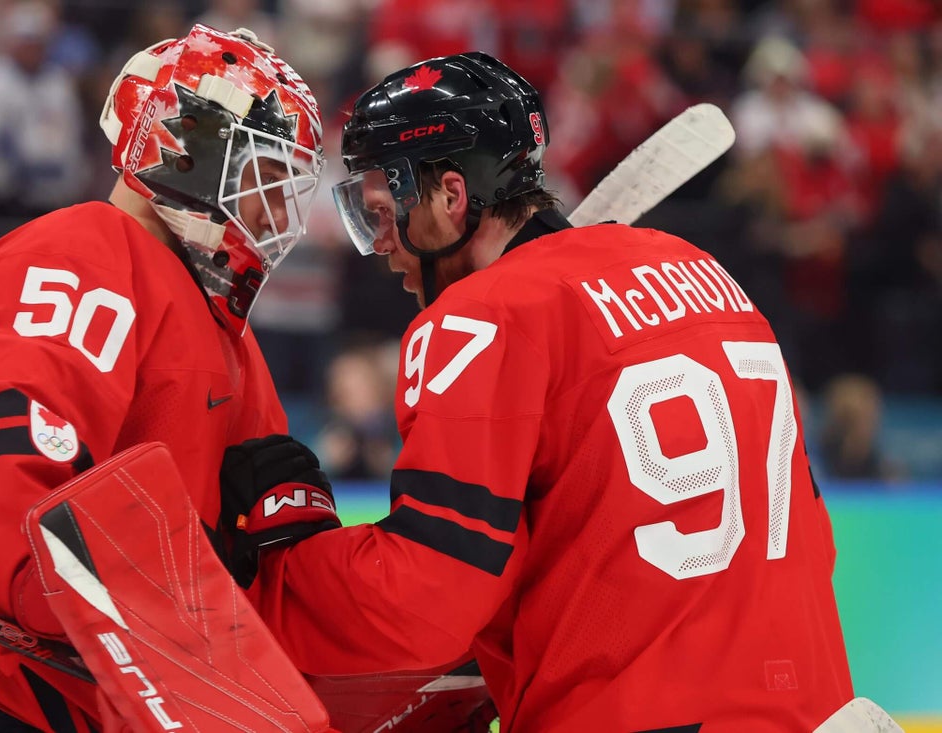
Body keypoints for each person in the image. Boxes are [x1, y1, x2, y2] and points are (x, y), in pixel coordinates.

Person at [220, 53, 855, 731]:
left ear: (450, 195)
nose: (381, 245)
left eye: (381, 208)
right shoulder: (702, 271)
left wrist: (287, 561)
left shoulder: (478, 320)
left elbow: (424, 601)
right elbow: (805, 534)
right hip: (817, 705)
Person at [0, 24, 325, 732]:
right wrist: (95, 589)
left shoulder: (223, 329)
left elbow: (216, 572)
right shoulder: (87, 251)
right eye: (262, 181)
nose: (279, 216)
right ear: (188, 157)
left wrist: (258, 548)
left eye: (286, 189)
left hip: (63, 690)